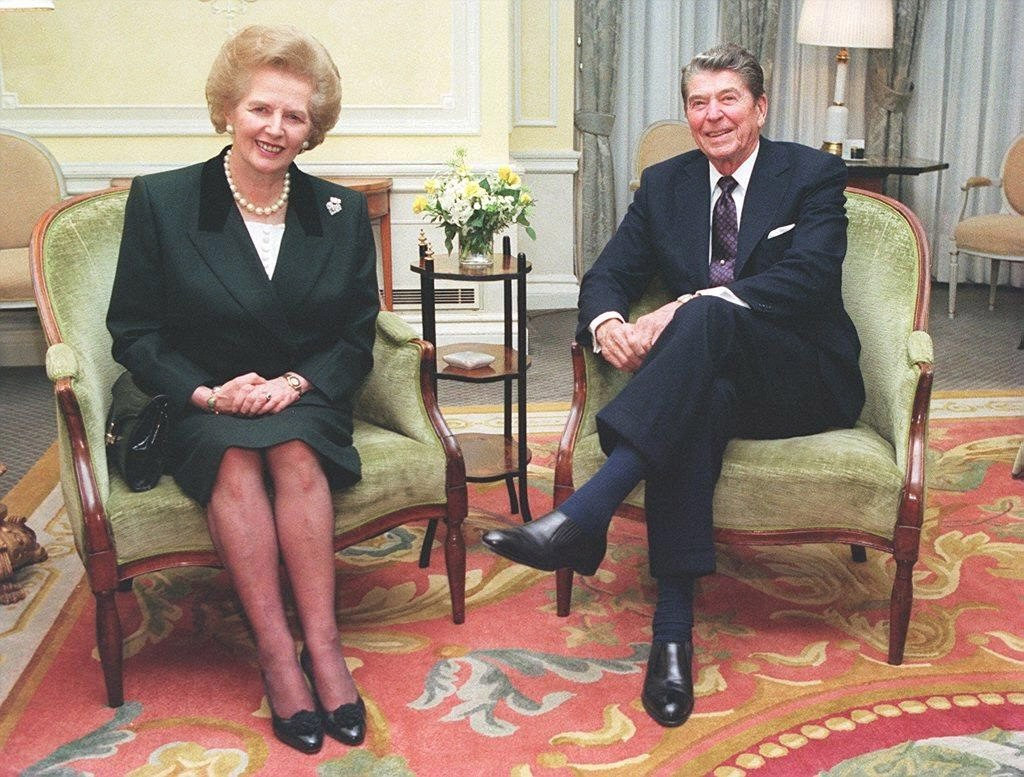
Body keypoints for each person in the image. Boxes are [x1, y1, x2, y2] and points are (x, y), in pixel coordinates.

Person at [483, 43, 865, 728]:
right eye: (697, 102)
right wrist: (606, 323)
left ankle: (585, 514)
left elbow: (809, 277)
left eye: (728, 99)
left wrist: (690, 306)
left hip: (802, 377)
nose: (712, 115)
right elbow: (608, 274)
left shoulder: (811, 173)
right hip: (712, 383)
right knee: (699, 402)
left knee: (705, 316)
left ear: (760, 107)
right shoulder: (666, 185)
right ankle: (671, 633)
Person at [106, 25, 379, 753]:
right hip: (202, 396)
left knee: (294, 452)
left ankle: (324, 647)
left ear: (313, 128)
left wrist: (296, 382)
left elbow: (357, 334)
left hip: (302, 393)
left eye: (295, 115)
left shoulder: (340, 212)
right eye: (261, 108)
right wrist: (208, 394)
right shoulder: (164, 200)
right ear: (229, 107)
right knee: (233, 458)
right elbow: (134, 332)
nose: (275, 128)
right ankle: (277, 655)